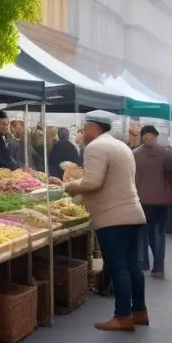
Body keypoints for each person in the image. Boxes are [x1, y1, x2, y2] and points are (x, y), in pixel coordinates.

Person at [64, 110, 147, 331]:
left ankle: (122, 316)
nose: (83, 130)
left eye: (85, 126)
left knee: (118, 266)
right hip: (133, 211)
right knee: (132, 265)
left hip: (113, 215)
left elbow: (92, 182)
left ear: (94, 127)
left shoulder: (96, 147)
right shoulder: (121, 146)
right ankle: (139, 311)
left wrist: (71, 186)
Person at [134, 125, 172, 279]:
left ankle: (143, 262)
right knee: (158, 232)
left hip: (141, 199)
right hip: (162, 200)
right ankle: (159, 266)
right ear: (156, 136)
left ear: (142, 137)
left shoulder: (133, 154)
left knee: (143, 232)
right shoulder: (168, 153)